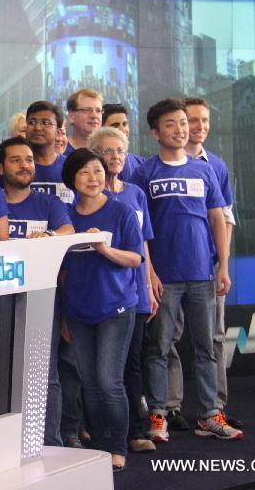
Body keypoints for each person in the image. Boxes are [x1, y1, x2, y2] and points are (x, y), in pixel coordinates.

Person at [130, 99, 240, 442]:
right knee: (159, 348)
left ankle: (209, 415)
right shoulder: (143, 173)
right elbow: (139, 229)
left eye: (183, 123)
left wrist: (222, 265)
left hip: (202, 275)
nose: (180, 129)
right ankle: (159, 414)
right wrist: (150, 273)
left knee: (207, 347)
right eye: (171, 124)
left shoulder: (205, 170)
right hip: (165, 278)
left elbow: (218, 219)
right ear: (155, 132)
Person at [61, 148, 144, 471]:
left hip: (117, 307)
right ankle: (99, 444)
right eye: (84, 173)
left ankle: (116, 445)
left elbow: (136, 259)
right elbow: (64, 270)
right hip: (79, 310)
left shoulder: (121, 212)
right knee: (90, 383)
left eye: (97, 171)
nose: (93, 178)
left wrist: (104, 249)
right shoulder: (67, 217)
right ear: (72, 180)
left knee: (110, 381)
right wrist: (66, 314)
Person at [162, 97, 241, 431]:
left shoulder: (216, 166)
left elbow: (224, 218)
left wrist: (223, 264)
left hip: (207, 270)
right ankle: (170, 406)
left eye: (204, 120)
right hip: (170, 270)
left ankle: (214, 408)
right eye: (190, 120)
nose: (197, 127)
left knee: (213, 338)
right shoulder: (158, 165)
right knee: (166, 340)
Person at [0, 136, 73, 448]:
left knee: (47, 375)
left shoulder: (48, 203)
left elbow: (68, 230)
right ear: (0, 167)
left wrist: (49, 235)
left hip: (42, 301)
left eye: (28, 159)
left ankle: (51, 443)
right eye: (16, 160)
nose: (25, 165)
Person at [89, 127, 158, 454]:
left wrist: (151, 279)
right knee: (100, 374)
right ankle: (101, 434)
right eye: (106, 151)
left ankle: (136, 431)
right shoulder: (85, 197)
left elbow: (143, 243)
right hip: (98, 295)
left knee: (131, 365)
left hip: (136, 292)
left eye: (119, 151)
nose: (114, 157)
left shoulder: (135, 194)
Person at [25, 101, 73, 204]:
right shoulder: (15, 167)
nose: (37, 128)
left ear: (58, 132)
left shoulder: (71, 167)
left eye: (46, 123)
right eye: (32, 122)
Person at [103, 103, 145, 182]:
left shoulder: (142, 164)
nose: (122, 129)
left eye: (125, 124)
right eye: (115, 125)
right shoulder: (94, 163)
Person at [65, 89, 103, 155]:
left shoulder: (107, 153)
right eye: (87, 110)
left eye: (98, 111)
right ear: (72, 116)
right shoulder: (61, 152)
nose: (94, 116)